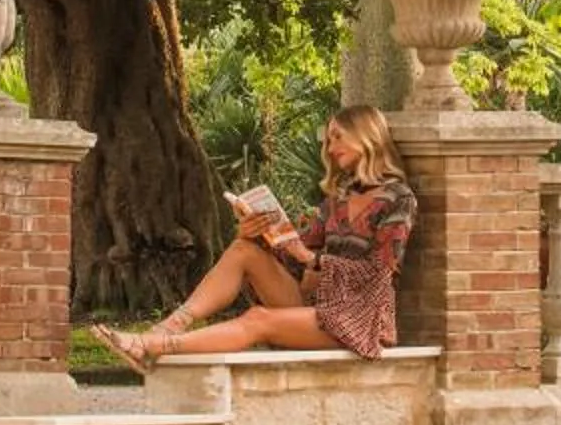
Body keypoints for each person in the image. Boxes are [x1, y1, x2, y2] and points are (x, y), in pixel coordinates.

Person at [92, 106, 417, 371]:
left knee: (257, 319)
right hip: (320, 307)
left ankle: (154, 347)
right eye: (328, 140)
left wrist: (311, 259)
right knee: (243, 249)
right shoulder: (339, 199)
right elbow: (295, 254)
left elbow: (382, 271)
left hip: (362, 316)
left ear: (366, 137)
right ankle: (169, 327)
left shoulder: (398, 199)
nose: (330, 149)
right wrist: (262, 234)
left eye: (337, 138)